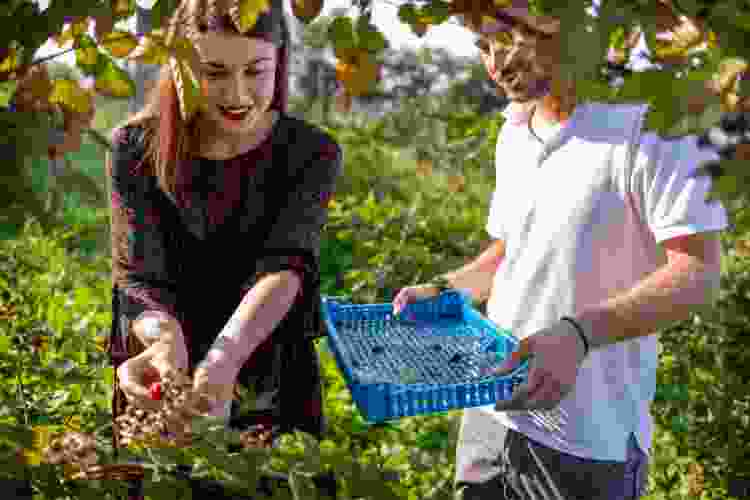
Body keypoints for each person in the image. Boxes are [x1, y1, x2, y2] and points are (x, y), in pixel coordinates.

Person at [391, 2, 729, 499]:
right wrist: (446, 289)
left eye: (505, 40)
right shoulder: (515, 129)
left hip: (589, 443)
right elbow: (507, 253)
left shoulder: (652, 122)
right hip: (490, 417)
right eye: (482, 46)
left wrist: (578, 335)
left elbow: (699, 273)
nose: (493, 63)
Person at [107, 0, 342, 451]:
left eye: (256, 71)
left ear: (280, 62)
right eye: (214, 73)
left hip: (270, 381)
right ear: (180, 67)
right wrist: (163, 346)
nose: (236, 95)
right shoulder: (134, 148)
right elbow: (139, 276)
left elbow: (285, 265)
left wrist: (222, 360)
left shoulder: (311, 152)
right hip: (159, 383)